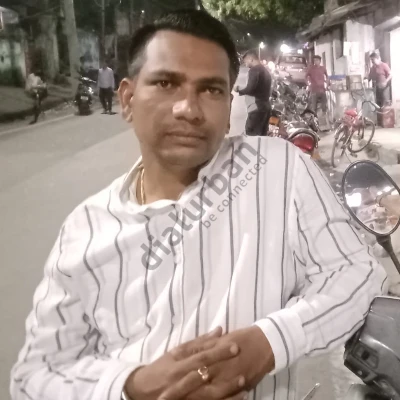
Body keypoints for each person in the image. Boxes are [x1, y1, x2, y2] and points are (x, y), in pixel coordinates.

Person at [11, 9, 387, 400]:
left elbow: (358, 275)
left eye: (210, 90)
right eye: (166, 83)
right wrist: (129, 385)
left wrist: (270, 342)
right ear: (127, 99)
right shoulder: (85, 230)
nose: (188, 109)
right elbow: (37, 374)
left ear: (228, 107)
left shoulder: (279, 171)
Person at [234, 50, 271, 136]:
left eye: (246, 61)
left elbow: (250, 88)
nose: (245, 64)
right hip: (266, 107)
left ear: (251, 59)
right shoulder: (265, 70)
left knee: (251, 136)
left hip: (256, 107)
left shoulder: (254, 70)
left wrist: (238, 89)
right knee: (262, 136)